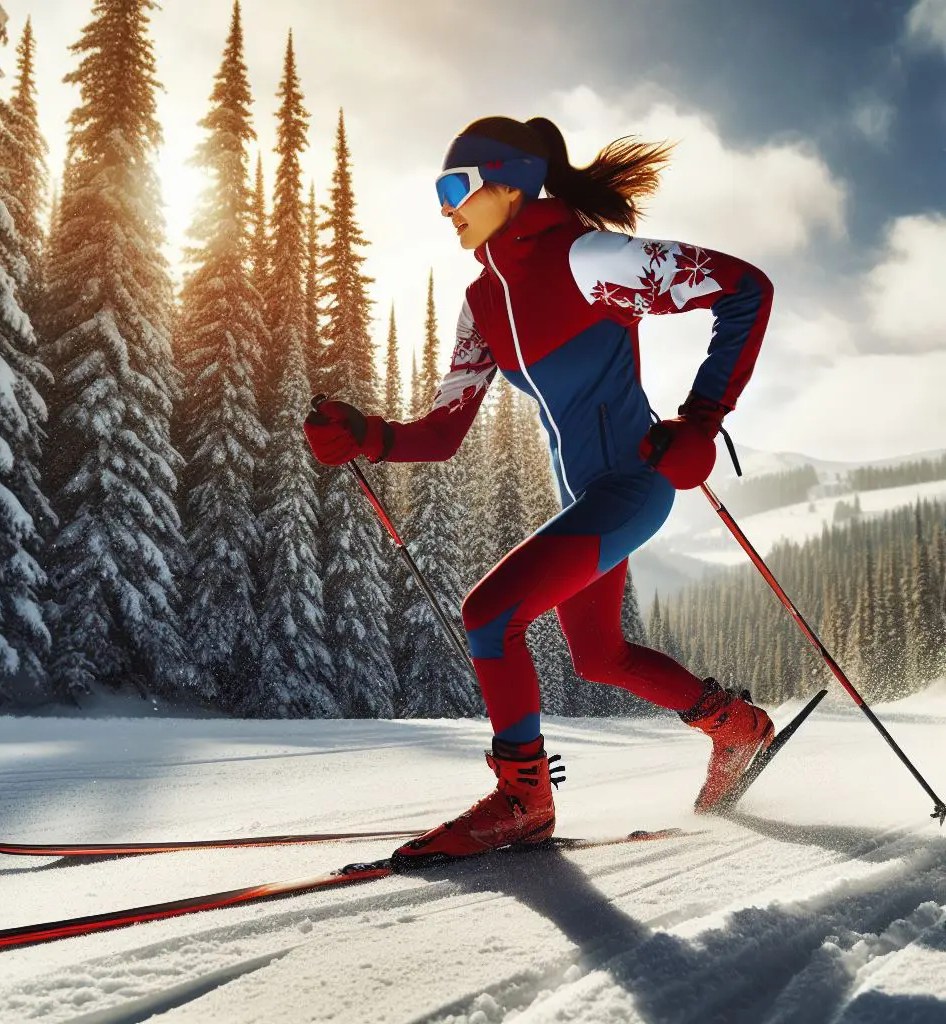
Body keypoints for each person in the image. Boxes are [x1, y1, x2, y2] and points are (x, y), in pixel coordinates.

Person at [302, 115, 776, 866]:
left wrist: (700, 419)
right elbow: (443, 433)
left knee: (489, 614)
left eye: (455, 186)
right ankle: (736, 726)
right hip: (588, 499)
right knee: (598, 656)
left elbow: (745, 290)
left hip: (636, 483)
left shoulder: (589, 257)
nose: (445, 205)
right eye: (440, 193)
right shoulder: (482, 303)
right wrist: (366, 436)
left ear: (511, 180)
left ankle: (524, 800)